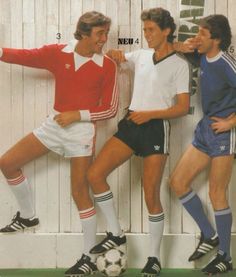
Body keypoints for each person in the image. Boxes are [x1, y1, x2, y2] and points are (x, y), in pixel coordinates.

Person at [0, 11, 118, 277]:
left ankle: (88, 257)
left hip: (82, 132)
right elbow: (24, 56)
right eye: (100, 34)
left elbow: (110, 109)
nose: (104, 39)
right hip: (54, 125)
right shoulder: (58, 53)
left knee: (79, 192)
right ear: (84, 33)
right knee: (7, 163)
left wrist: (78, 115)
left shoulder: (107, 65)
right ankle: (28, 215)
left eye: (106, 33)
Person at [87, 7, 191, 277]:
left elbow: (182, 107)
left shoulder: (180, 65)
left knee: (150, 193)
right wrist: (115, 53)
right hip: (131, 124)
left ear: (166, 31)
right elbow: (115, 57)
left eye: (151, 30)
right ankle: (116, 233)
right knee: (96, 174)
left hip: (156, 130)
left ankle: (154, 258)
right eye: (144, 30)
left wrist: (152, 114)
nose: (146, 35)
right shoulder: (142, 55)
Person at [170, 14, 236, 275]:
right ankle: (209, 235)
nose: (198, 37)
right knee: (177, 182)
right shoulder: (202, 56)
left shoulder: (226, 63)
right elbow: (175, 48)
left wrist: (232, 123)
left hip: (223, 133)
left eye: (203, 34)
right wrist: (184, 45)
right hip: (205, 129)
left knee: (217, 193)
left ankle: (225, 256)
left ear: (216, 39)